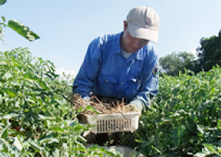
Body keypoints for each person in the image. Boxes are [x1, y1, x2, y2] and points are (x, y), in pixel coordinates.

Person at [73, 6, 160, 113]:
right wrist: (86, 107)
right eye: (134, 36)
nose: (137, 44)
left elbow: (149, 90)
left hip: (126, 114)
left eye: (144, 40)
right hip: (96, 107)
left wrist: (137, 105)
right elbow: (83, 83)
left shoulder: (150, 55)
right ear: (125, 25)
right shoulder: (100, 45)